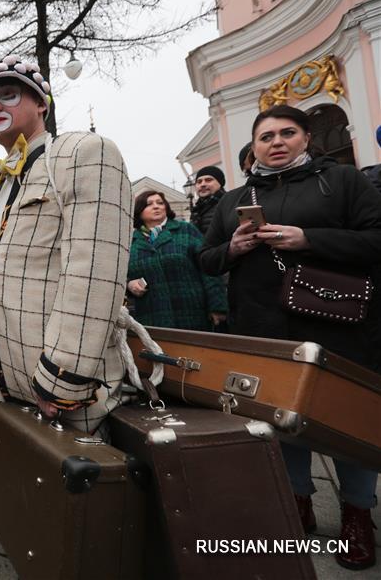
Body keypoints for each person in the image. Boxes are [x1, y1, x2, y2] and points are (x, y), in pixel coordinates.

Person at [200, 104, 381, 570]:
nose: (276, 142)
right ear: (254, 146)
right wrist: (233, 248)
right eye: (266, 136)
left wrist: (309, 239)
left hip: (339, 325)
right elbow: (205, 258)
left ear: (305, 139)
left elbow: (376, 239)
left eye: (287, 133)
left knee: (346, 420)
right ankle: (296, 503)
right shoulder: (233, 198)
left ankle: (357, 512)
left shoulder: (342, 181)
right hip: (263, 327)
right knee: (279, 422)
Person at [0, 54, 133, 435]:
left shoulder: (82, 153)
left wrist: (63, 381)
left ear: (42, 102)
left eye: (8, 94)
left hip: (68, 391)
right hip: (9, 379)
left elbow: (94, 272)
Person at [126, 190, 227, 331]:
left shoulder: (186, 230)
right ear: (139, 211)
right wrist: (129, 285)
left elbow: (208, 267)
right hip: (151, 316)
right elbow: (122, 275)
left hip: (192, 313)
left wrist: (217, 305)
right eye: (149, 204)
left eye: (160, 203)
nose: (157, 206)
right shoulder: (130, 241)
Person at [189, 165, 226, 236]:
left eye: (208, 180)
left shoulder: (229, 203)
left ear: (220, 183)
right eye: (199, 182)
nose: (202, 184)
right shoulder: (196, 209)